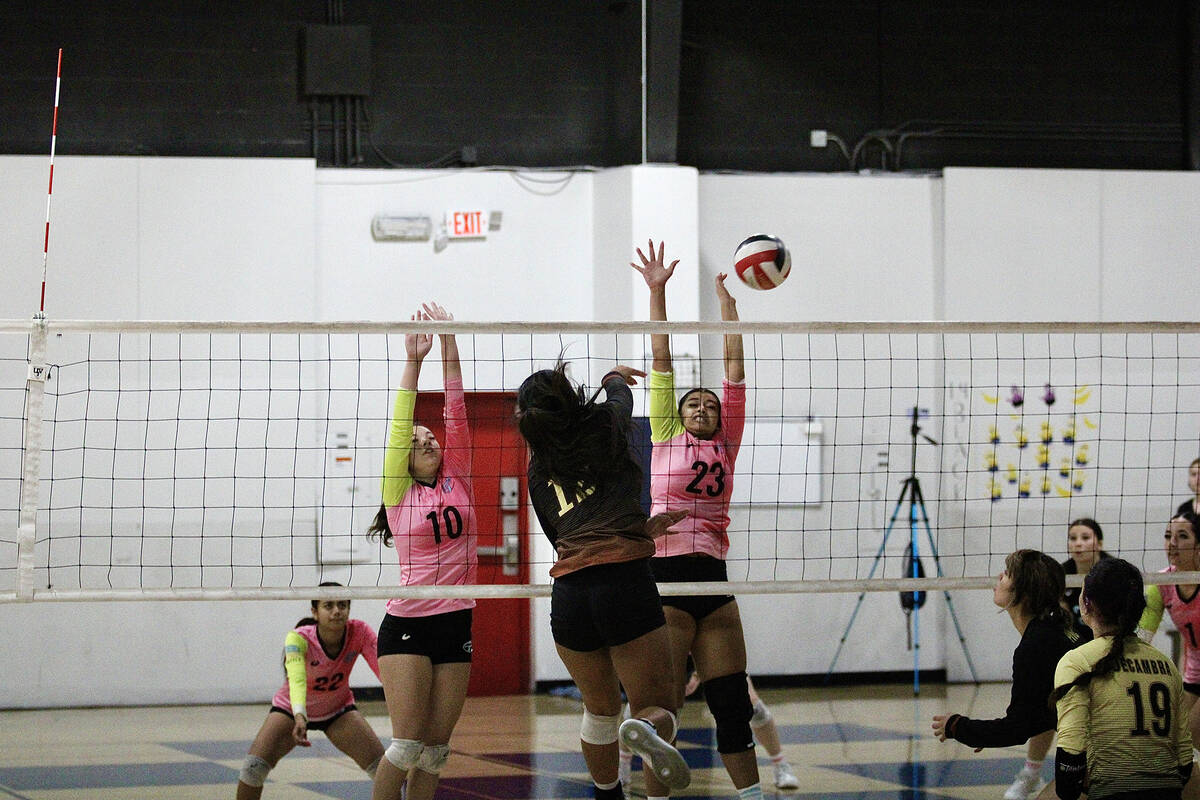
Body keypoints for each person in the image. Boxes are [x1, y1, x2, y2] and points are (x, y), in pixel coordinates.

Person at [516, 359, 691, 800]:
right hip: (624, 582)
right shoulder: (602, 423)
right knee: (658, 707)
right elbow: (622, 396)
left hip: (571, 596)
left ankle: (608, 793)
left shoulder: (537, 472)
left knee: (599, 713)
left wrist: (639, 528)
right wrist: (613, 376)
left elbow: (565, 537)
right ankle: (647, 729)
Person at [633, 239, 763, 800]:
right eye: (694, 404)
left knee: (732, 703)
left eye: (710, 404)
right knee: (661, 712)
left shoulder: (726, 444)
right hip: (666, 578)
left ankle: (753, 796)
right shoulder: (665, 437)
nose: (705, 408)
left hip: (713, 577)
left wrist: (729, 309)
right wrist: (657, 292)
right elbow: (661, 362)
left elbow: (734, 371)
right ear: (678, 414)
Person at [366, 303, 478, 800]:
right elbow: (400, 421)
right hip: (409, 622)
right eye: (418, 439)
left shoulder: (460, 476)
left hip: (457, 619)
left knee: (436, 751)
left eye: (432, 436)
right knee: (407, 746)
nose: (428, 439)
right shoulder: (398, 491)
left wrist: (451, 341)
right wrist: (414, 360)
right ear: (403, 457)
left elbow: (455, 407)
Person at [931, 549, 1076, 800]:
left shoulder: (1036, 645)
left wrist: (958, 727)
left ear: (1023, 592)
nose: (999, 576)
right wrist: (984, 732)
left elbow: (1017, 729)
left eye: (1007, 573)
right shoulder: (1056, 631)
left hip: (1106, 754)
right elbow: (1042, 715)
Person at [1052, 557, 1192, 800]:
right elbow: (1185, 761)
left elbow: (1071, 753)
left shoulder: (1076, 661)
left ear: (1086, 604)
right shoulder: (1166, 665)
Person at [236, 582, 383, 799]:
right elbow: (296, 680)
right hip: (290, 710)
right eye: (328, 606)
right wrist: (299, 715)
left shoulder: (359, 632)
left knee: (385, 769)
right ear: (315, 612)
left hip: (338, 711)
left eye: (342, 605)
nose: (336, 611)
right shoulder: (298, 638)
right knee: (253, 769)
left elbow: (383, 668)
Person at [1138, 511, 1200, 799]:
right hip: (1193, 676)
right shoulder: (1161, 584)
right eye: (1167, 536)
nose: (1172, 543)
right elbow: (1141, 642)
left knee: (1189, 733)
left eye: (1182, 536)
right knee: (1172, 741)